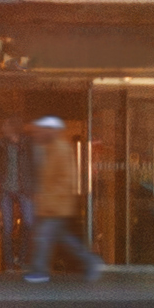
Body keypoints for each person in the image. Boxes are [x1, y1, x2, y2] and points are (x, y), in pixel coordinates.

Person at [20, 113, 96, 284]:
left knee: (43, 237)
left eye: (43, 130)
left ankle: (40, 271)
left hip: (56, 205)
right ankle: (89, 261)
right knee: (64, 239)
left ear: (52, 131)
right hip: (52, 205)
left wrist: (50, 199)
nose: (39, 134)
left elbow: (66, 179)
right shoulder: (49, 148)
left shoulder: (60, 149)